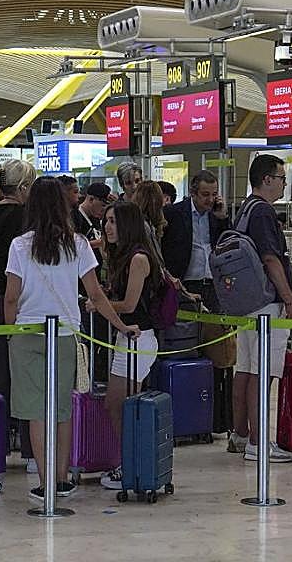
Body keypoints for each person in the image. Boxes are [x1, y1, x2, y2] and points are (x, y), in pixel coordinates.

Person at [4, 177, 135, 500]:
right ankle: (62, 479)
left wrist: (10, 333)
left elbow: (11, 297)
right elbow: (95, 294)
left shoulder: (20, 245)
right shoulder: (77, 244)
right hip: (64, 334)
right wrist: (120, 325)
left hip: (27, 333)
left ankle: (45, 480)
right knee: (62, 409)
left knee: (36, 412)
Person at [229, 154, 292, 461]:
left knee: (245, 368)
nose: (285, 183)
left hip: (247, 303)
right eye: (282, 178)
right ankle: (259, 443)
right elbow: (271, 259)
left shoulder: (245, 209)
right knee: (264, 372)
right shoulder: (263, 213)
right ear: (268, 179)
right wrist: (288, 298)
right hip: (266, 305)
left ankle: (240, 435)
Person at [96, 201, 162, 490]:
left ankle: (131, 463)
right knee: (117, 404)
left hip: (139, 337)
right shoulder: (124, 257)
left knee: (122, 405)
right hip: (127, 338)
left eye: (113, 221)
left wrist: (100, 305)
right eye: (106, 221)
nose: (108, 227)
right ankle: (128, 461)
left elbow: (130, 304)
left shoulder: (138, 259)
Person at [0, 159, 36, 468]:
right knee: (27, 378)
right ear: (25, 187)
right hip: (21, 299)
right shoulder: (28, 217)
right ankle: (31, 450)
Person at [161, 170, 229, 309]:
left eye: (214, 194)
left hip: (213, 283)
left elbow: (228, 243)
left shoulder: (216, 215)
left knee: (214, 328)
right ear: (193, 193)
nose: (210, 199)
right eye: (205, 195)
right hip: (185, 283)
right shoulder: (173, 213)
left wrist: (223, 219)